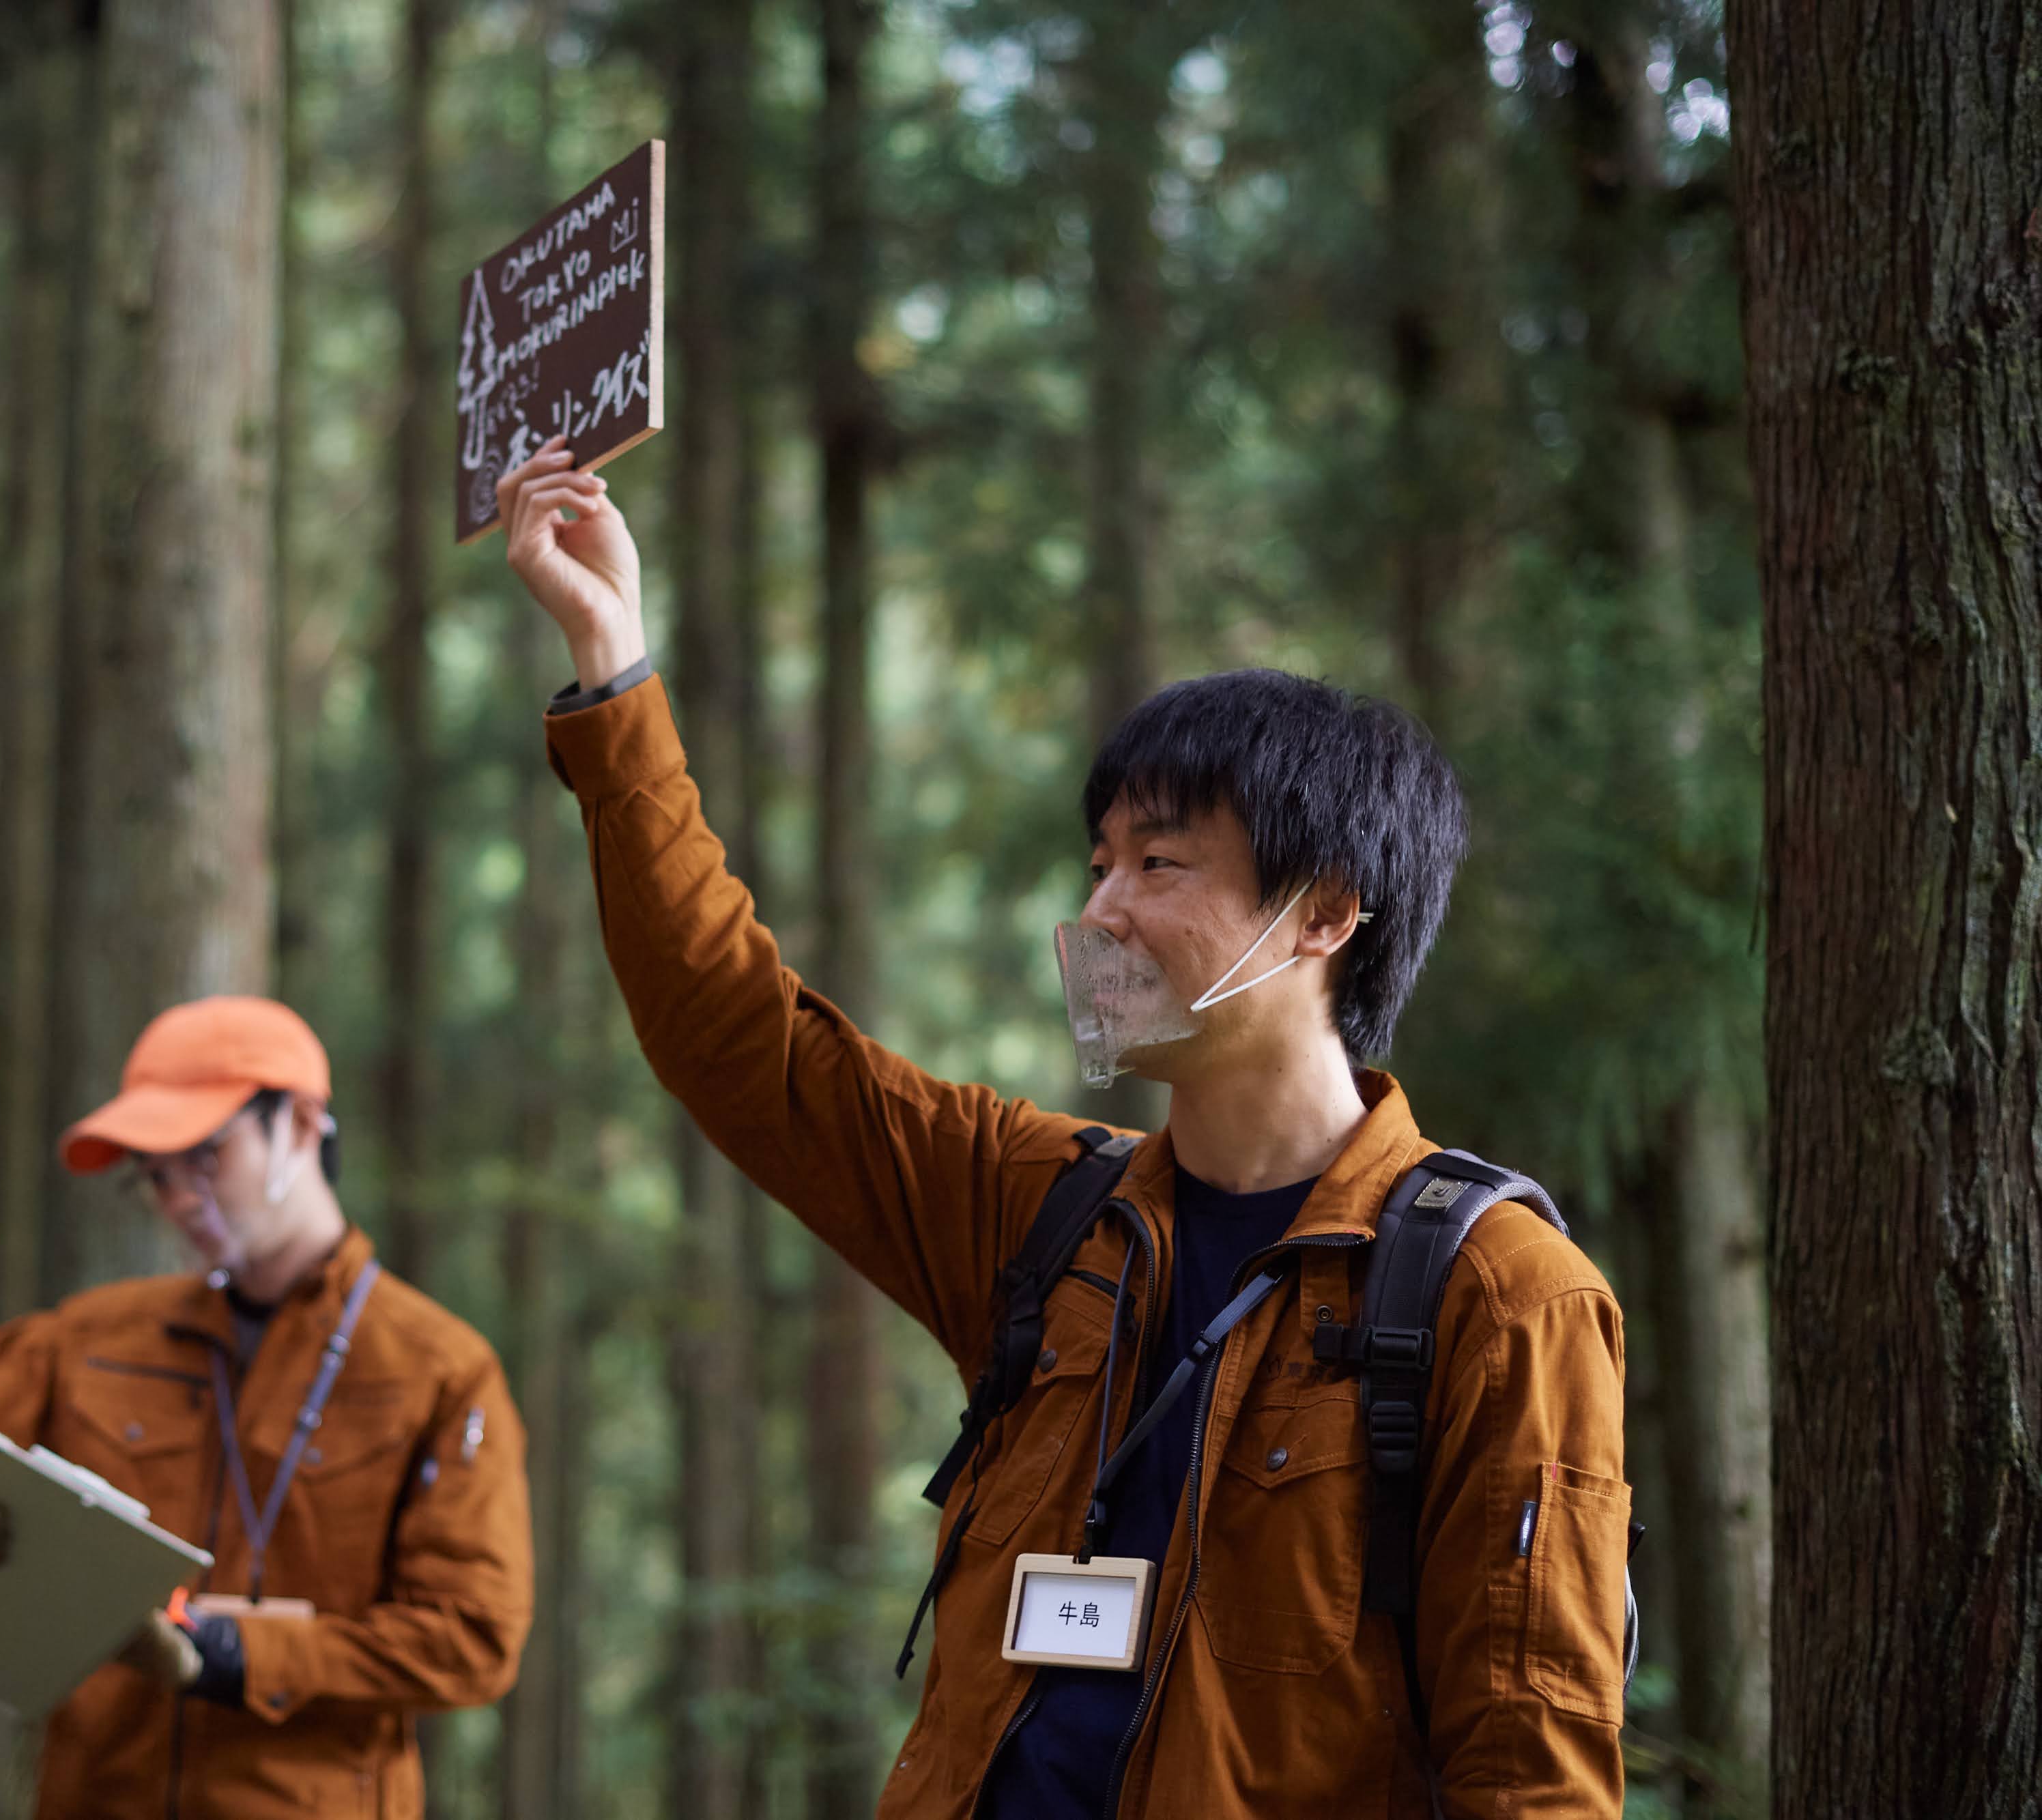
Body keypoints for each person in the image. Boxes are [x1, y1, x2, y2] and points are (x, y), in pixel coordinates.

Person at [497, 439, 1632, 1816]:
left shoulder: (1497, 1297)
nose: (1098, 914)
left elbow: (1533, 1769)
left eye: (1158, 862)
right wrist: (611, 666)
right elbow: (735, 1040)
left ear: (1325, 912)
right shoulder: (1041, 1210)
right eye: (1096, 864)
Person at [0, 996, 532, 1820]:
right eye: (154, 1174)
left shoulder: (440, 1370)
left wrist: (230, 1653)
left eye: (206, 1156)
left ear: (299, 1123)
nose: (179, 1197)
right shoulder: (101, 1337)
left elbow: (473, 1640)